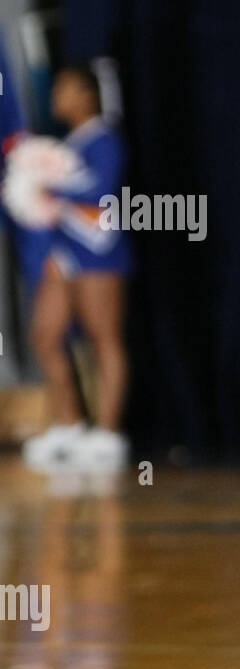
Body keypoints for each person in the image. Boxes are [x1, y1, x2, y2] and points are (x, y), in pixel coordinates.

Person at [21, 64, 131, 471]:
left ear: (87, 95)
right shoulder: (70, 143)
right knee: (45, 334)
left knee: (104, 337)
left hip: (98, 253)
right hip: (66, 254)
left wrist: (45, 183)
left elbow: (101, 190)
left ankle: (107, 432)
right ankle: (68, 423)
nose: (56, 96)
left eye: (65, 89)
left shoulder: (103, 138)